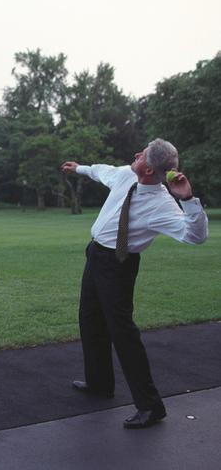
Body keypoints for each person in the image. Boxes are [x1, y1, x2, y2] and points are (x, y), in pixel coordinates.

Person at [61, 138, 208, 429]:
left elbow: (196, 236)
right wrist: (80, 168)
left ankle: (151, 407)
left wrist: (188, 200)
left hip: (119, 265)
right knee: (90, 320)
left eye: (142, 155)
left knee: (122, 333)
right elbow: (102, 171)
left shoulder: (162, 205)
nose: (136, 154)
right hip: (95, 255)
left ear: (150, 171)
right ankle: (100, 383)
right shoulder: (126, 174)